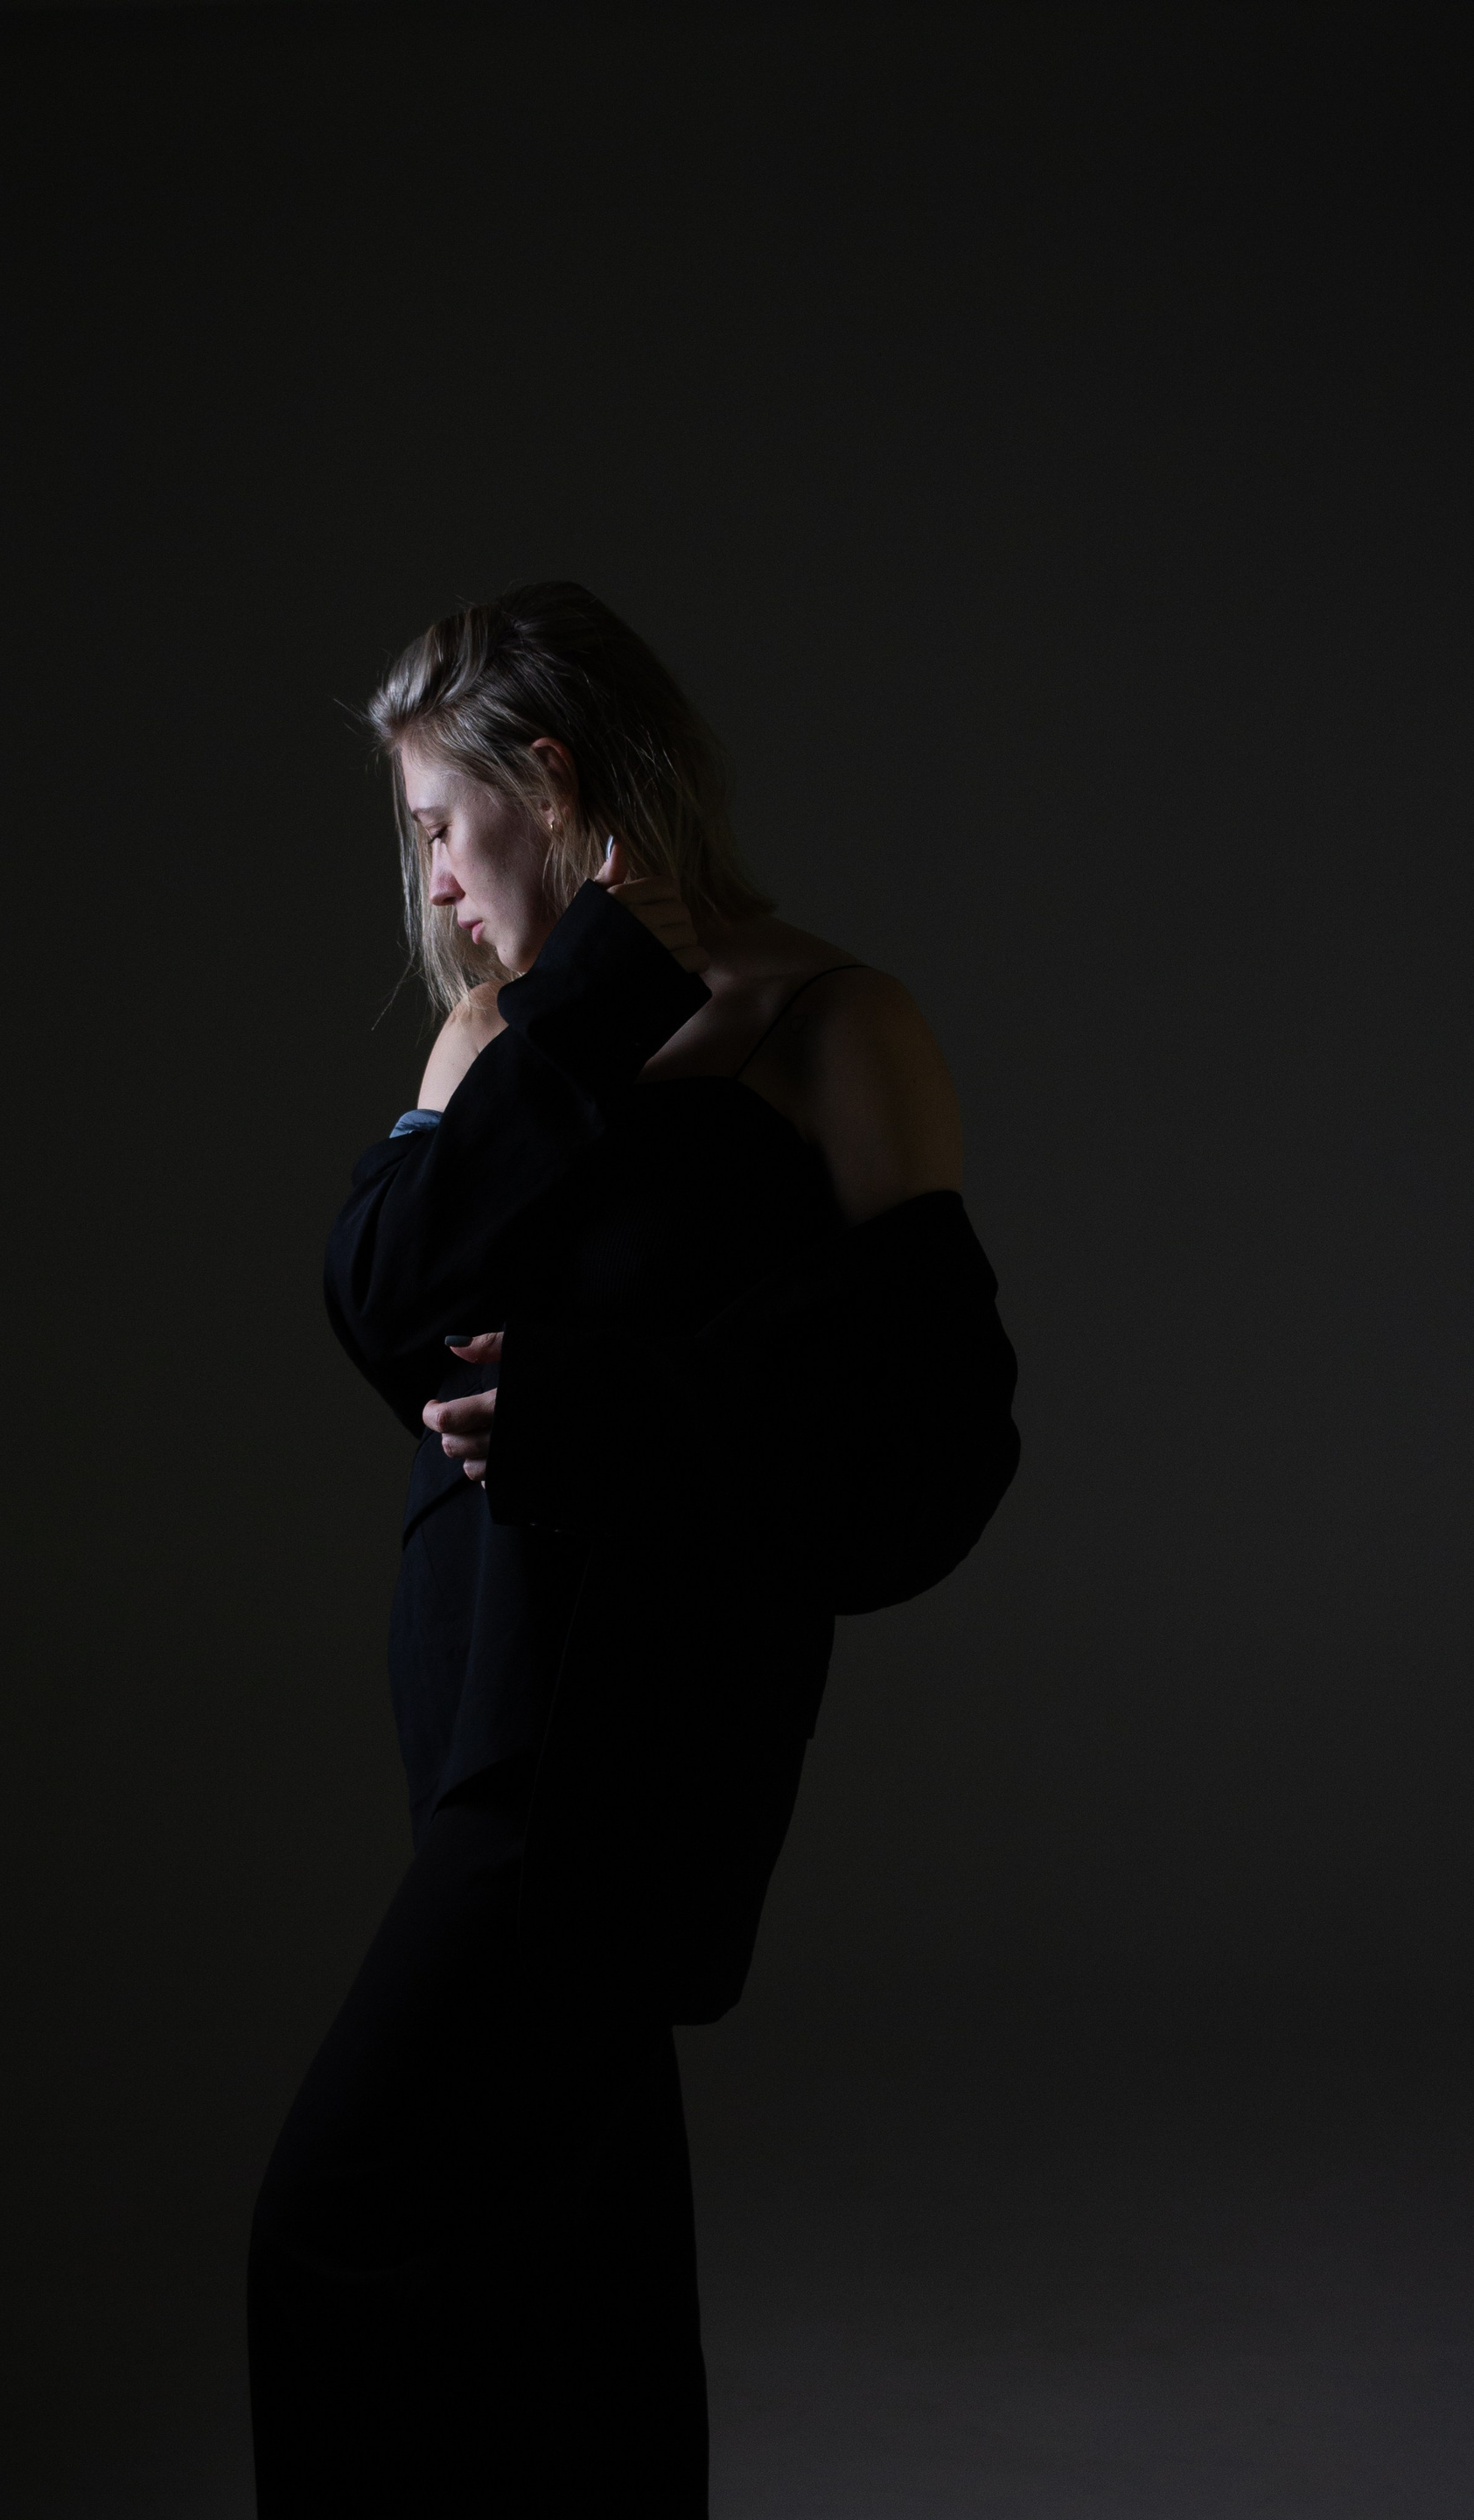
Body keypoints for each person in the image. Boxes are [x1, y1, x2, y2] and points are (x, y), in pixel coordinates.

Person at [247, 582, 1020, 2516]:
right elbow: (382, 1305)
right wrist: (583, 1008)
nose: (434, 882)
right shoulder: (502, 1037)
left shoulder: (832, 1027)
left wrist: (612, 1413)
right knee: (569, 2270)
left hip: (625, 1747)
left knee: (339, 2223)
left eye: (442, 824)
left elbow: (934, 1455)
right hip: (479, 1737)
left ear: (549, 779)